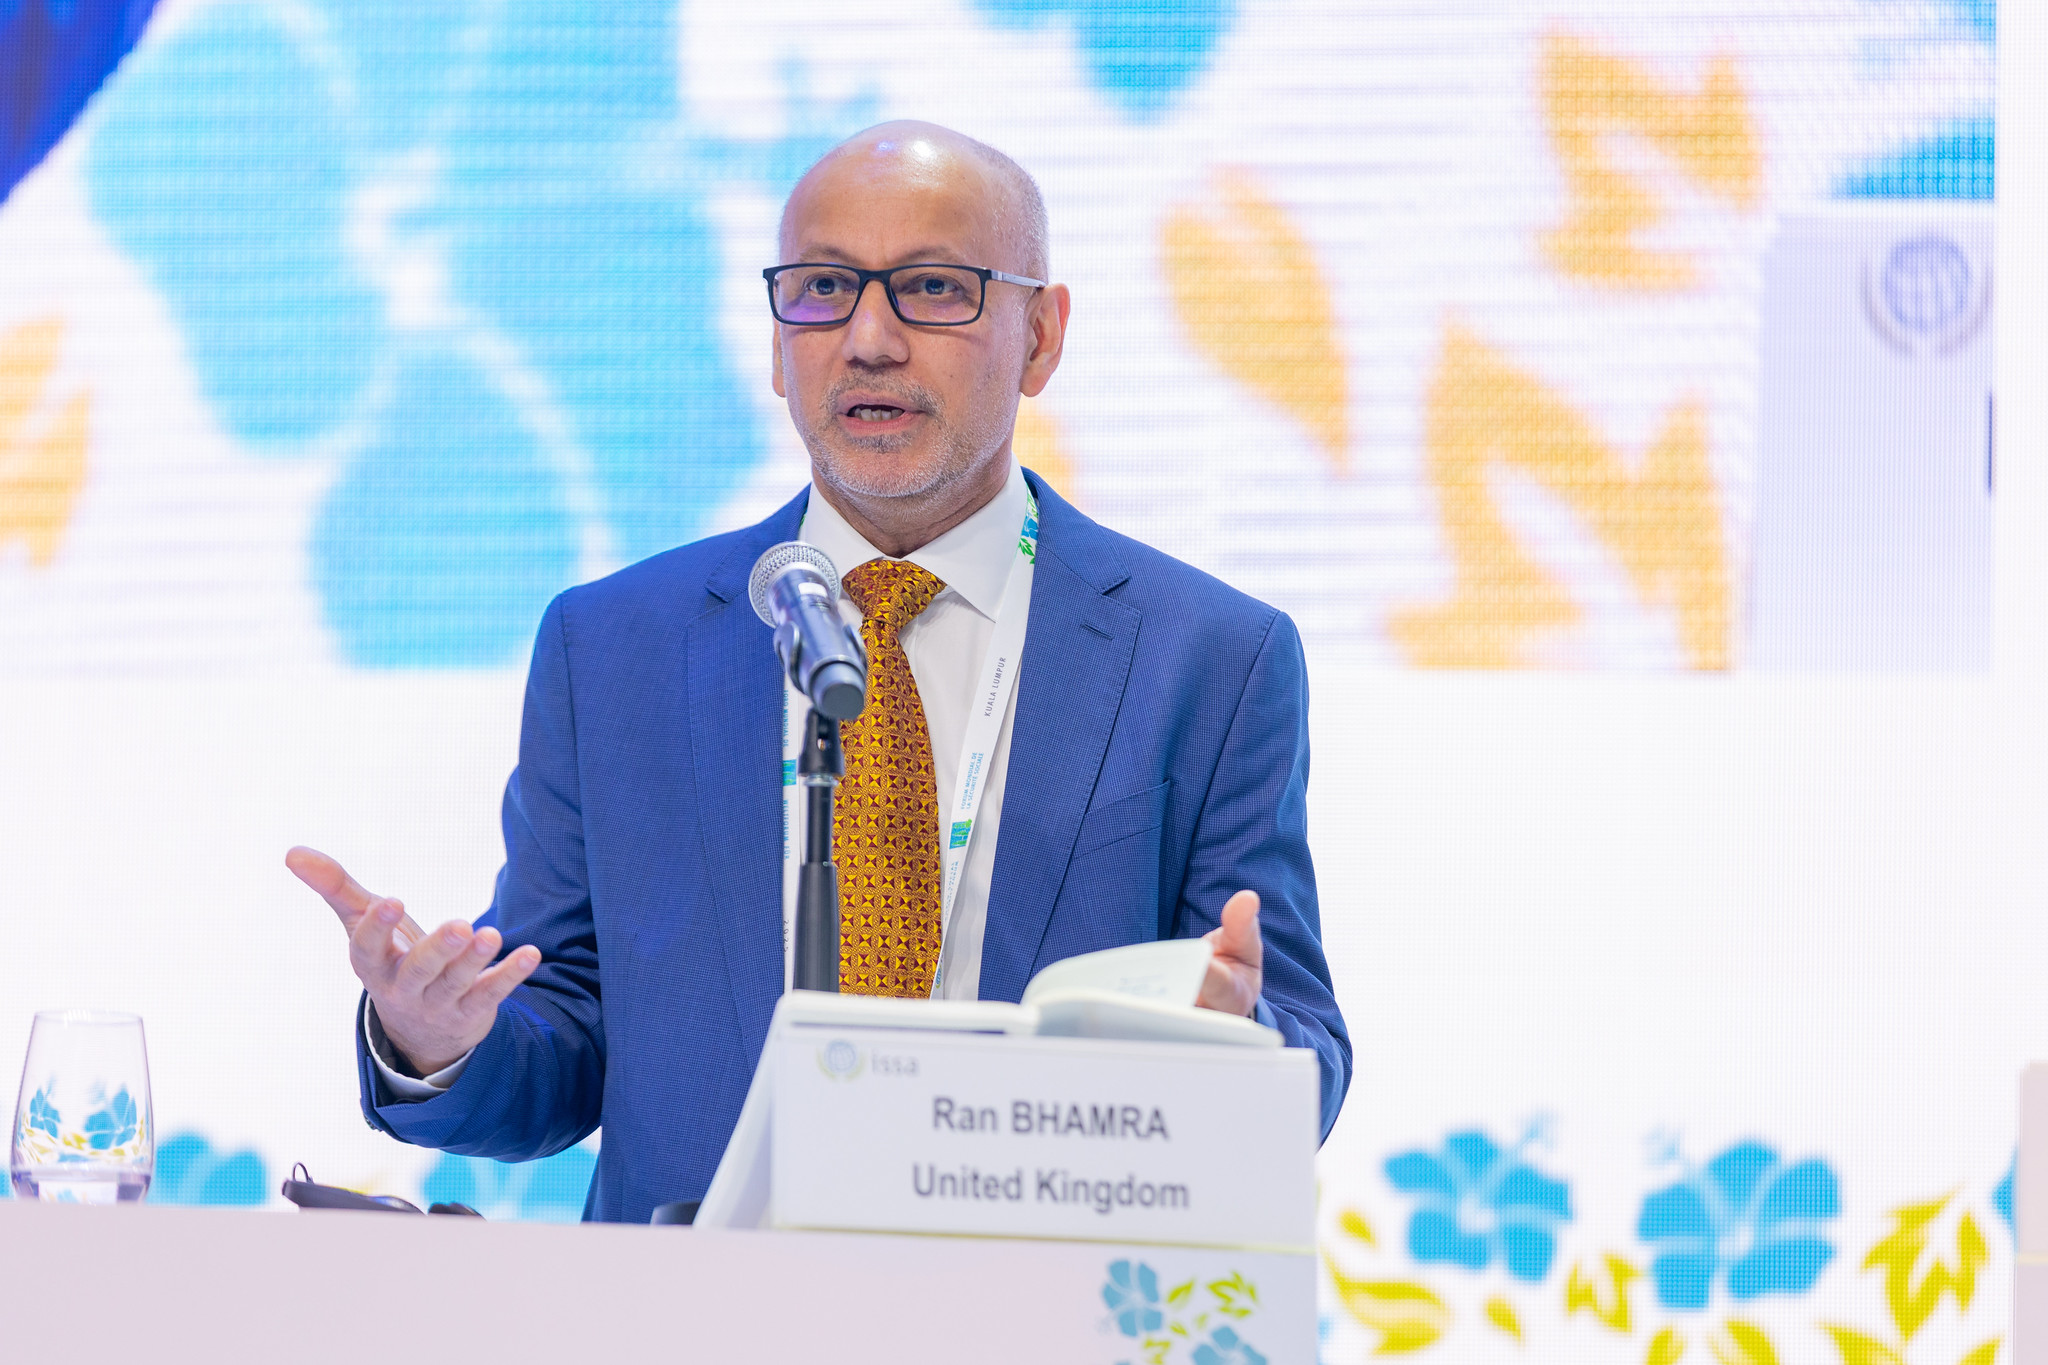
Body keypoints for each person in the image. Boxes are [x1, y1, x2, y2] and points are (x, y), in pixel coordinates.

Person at [288, 121, 1350, 1224]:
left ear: (1040, 336)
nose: (869, 340)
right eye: (824, 289)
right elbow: (564, 1044)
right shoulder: (612, 648)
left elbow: (1303, 1052)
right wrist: (438, 1039)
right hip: (700, 1302)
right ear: (776, 340)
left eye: (933, 288)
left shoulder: (1206, 657)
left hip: (1044, 1289)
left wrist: (1233, 1056)